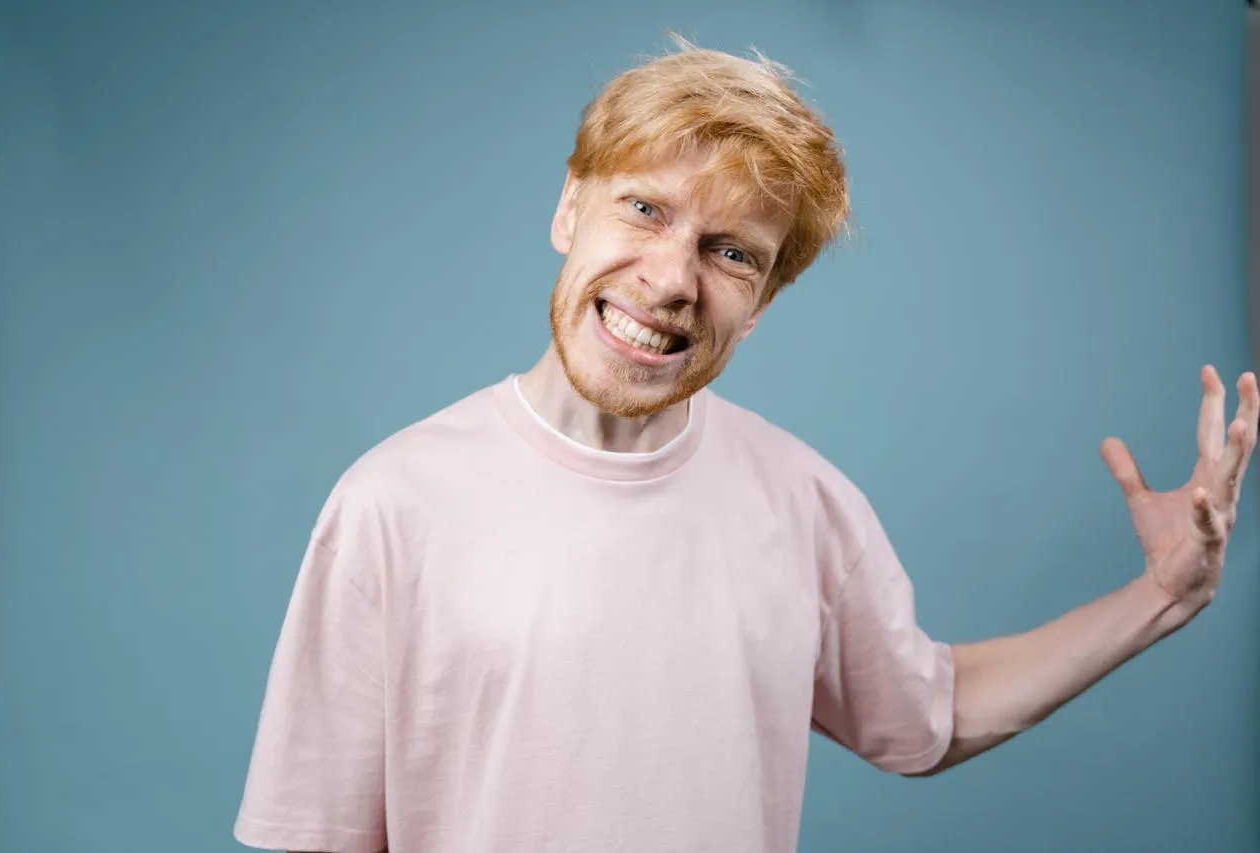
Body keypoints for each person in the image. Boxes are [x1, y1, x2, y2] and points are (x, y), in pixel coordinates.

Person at [232, 36, 1257, 853]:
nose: (670, 279)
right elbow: (320, 832)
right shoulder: (393, 501)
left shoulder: (803, 501)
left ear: (760, 302)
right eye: (645, 209)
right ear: (568, 207)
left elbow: (930, 715)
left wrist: (1160, 597)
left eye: (730, 253)